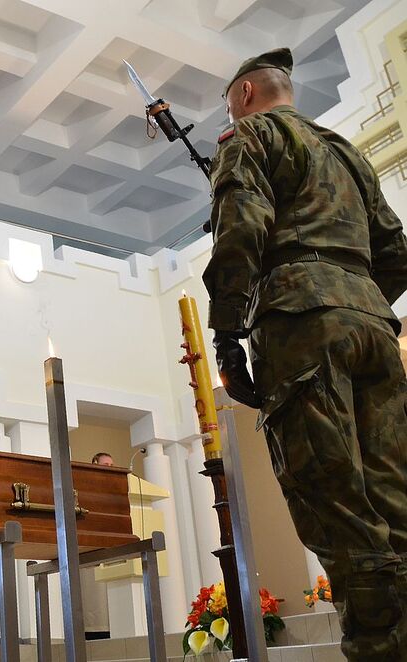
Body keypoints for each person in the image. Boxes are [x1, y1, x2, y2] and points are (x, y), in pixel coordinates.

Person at [203, 47, 407, 661]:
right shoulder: (347, 153)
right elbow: (396, 251)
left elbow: (241, 229)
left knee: (333, 499)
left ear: (243, 96)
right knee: (396, 499)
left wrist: (228, 335)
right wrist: (349, 294)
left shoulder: (251, 136)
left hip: (301, 330)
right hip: (373, 323)